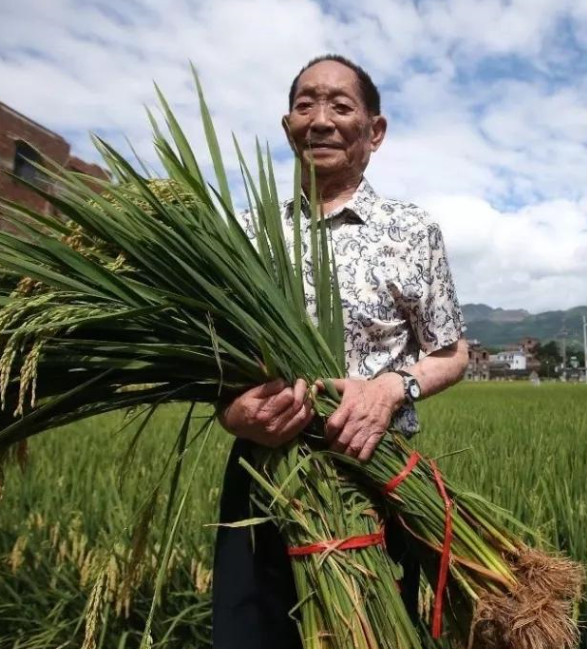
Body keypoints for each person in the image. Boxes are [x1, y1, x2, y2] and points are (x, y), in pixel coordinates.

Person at [212, 54, 469, 649]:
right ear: (287, 126)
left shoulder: (411, 230)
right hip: (264, 474)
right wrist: (233, 413)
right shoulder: (249, 235)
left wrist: (388, 389)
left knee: (368, 633)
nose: (320, 120)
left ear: (373, 132)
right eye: (306, 105)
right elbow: (215, 362)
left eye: (340, 106)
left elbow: (451, 353)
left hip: (374, 474)